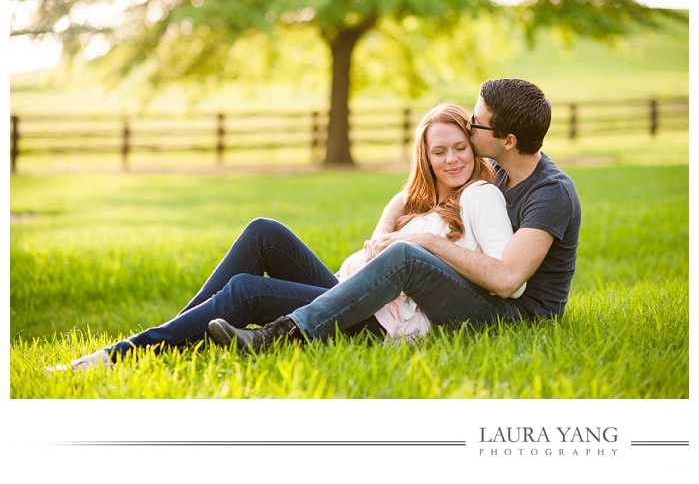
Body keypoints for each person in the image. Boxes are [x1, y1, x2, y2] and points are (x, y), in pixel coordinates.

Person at [59, 102, 517, 371]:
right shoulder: (416, 199)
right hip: (344, 292)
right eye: (439, 151)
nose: (452, 159)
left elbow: (497, 274)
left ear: (474, 147)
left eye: (460, 147)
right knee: (265, 232)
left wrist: (424, 246)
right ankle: (179, 333)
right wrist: (391, 223)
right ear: (426, 155)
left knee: (246, 291)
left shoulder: (479, 195)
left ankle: (122, 356)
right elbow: (392, 223)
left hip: (377, 325)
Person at [208, 78, 582, 352]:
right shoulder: (497, 167)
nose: (468, 125)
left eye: (476, 121)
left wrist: (424, 241)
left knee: (407, 255)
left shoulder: (550, 193)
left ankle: (281, 336)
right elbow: (413, 192)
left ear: (509, 140)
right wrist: (385, 230)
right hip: (482, 298)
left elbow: (508, 282)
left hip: (513, 318)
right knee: (265, 234)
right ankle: (170, 336)